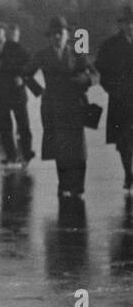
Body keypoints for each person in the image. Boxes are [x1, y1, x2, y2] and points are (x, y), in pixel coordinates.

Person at [24, 16, 98, 199]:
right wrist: (39, 91)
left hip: (75, 105)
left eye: (60, 33)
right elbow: (26, 74)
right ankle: (64, 185)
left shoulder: (77, 53)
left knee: (79, 150)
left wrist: (87, 79)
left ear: (67, 34)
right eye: (53, 34)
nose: (57, 37)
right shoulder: (42, 54)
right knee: (60, 150)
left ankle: (79, 187)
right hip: (53, 107)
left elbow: (96, 74)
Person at [0, 22, 34, 168]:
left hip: (17, 94)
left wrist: (22, 77)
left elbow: (31, 63)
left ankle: (26, 155)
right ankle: (11, 157)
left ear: (4, 32)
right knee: (5, 128)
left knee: (23, 126)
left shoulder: (15, 47)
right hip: (0, 95)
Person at [95, 4, 133, 191]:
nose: (131, 27)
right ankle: (128, 174)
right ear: (122, 25)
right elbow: (101, 70)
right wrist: (112, 90)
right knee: (124, 141)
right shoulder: (110, 45)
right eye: (128, 23)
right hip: (121, 100)